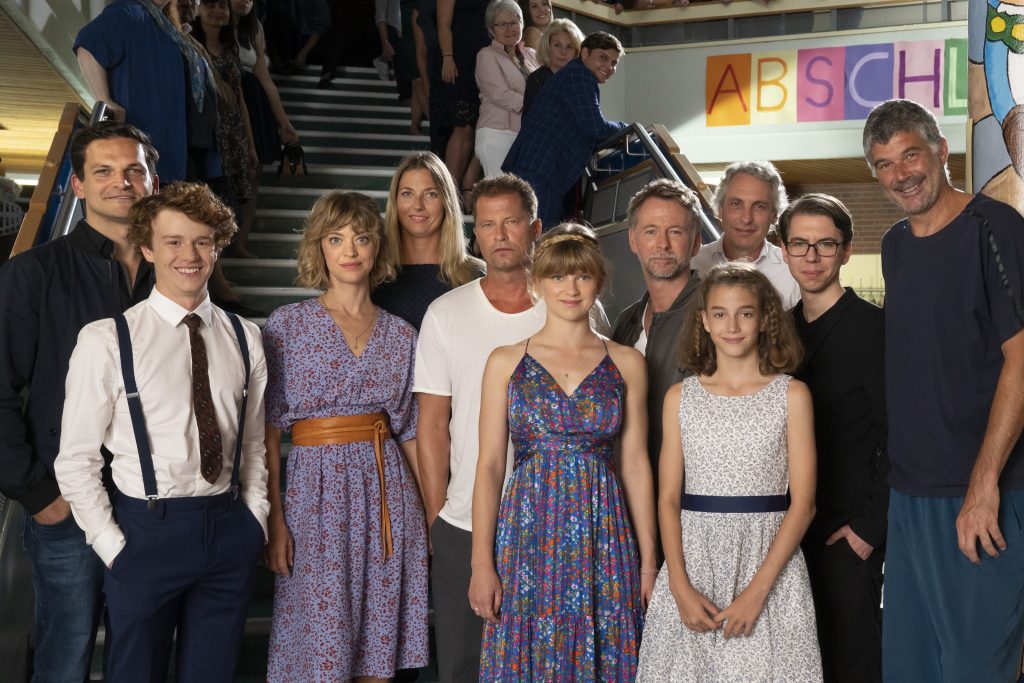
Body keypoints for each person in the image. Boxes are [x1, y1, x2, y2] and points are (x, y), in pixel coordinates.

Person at [53, 181, 269, 681]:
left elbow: (254, 444)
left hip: (228, 528)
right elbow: (76, 459)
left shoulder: (246, 337)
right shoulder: (107, 340)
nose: (188, 255)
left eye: (202, 241)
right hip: (145, 532)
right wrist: (112, 546)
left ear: (217, 247)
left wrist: (254, 518)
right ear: (147, 249)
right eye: (173, 241)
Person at [865, 98, 1024, 682]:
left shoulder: (994, 227)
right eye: (885, 164)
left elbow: (1022, 357)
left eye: (911, 155)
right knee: (909, 669)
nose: (901, 174)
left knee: (974, 669)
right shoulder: (895, 245)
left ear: (940, 151)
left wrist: (983, 486)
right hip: (910, 497)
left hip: (983, 493)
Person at [0, 121, 158, 683]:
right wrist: (36, 492)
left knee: (140, 658)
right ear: (78, 185)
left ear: (153, 181)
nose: (123, 182)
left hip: (155, 505)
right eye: (104, 171)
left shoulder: (179, 273)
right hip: (65, 502)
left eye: (134, 170)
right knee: (65, 659)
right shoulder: (33, 273)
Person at [470, 223, 657, 679]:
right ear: (537, 282)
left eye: (582, 276)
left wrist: (650, 562)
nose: (570, 288)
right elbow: (490, 466)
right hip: (528, 534)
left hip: (603, 532)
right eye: (557, 276)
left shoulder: (627, 362)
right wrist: (481, 563)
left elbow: (635, 464)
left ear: (599, 282)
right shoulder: (505, 361)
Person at [263, 191, 429, 681]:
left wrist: (430, 517)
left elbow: (411, 434)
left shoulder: (402, 335)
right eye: (335, 239)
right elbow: (267, 435)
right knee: (321, 651)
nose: (350, 250)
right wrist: (275, 519)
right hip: (314, 502)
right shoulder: (286, 326)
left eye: (361, 238)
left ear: (377, 248)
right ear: (319, 248)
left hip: (389, 499)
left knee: (378, 651)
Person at [636, 263, 822, 682]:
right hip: (694, 564)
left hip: (769, 566)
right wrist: (679, 586)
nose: (732, 326)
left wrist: (757, 593)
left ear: (765, 319)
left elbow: (804, 505)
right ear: (704, 320)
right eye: (720, 313)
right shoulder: (680, 397)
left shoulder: (792, 395)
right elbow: (668, 500)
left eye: (745, 313)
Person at [415, 174, 545, 682]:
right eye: (487, 225)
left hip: (551, 517)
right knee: (463, 668)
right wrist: (437, 517)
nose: (500, 235)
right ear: (475, 234)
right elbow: (432, 425)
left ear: (535, 228)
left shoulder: (570, 306)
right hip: (464, 520)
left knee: (542, 664)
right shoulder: (446, 313)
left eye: (511, 222)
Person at [778, 193, 888, 683]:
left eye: (825, 244)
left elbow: (900, 436)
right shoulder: (776, 333)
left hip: (847, 535)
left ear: (846, 251)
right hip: (784, 536)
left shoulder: (875, 329)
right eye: (800, 244)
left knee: (851, 667)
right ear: (784, 250)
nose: (812, 256)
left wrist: (869, 529)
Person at [612, 178, 703, 488]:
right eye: (650, 231)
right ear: (633, 240)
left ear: (695, 242)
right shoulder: (625, 323)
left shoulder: (718, 316)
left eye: (675, 232)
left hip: (695, 498)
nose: (662, 244)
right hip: (633, 494)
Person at [75, 0, 219, 183]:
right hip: (150, 148)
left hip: (181, 149)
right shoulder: (129, 12)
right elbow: (88, 44)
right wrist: (104, 98)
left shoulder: (163, 24)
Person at [502, 31, 626, 228]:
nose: (609, 67)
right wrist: (625, 128)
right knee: (537, 237)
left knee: (535, 235)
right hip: (541, 169)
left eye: (614, 63)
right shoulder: (580, 75)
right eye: (603, 58)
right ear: (585, 53)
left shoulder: (573, 74)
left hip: (540, 169)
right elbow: (596, 127)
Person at [374, 151, 485, 330]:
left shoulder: (477, 276)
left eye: (431, 194)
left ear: (446, 203)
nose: (418, 205)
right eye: (407, 194)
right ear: (395, 201)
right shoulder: (374, 277)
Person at [231, 0, 300, 258]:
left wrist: (284, 121)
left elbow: (265, 78)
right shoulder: (216, 23)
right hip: (228, 97)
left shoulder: (254, 28)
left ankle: (240, 242)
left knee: (254, 173)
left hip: (254, 98)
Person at [691, 160, 800, 309]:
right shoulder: (693, 265)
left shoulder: (792, 271)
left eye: (759, 206)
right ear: (720, 209)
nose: (746, 218)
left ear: (774, 215)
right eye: (736, 204)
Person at [192, 0, 258, 218]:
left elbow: (240, 100)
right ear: (199, 9)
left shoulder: (231, 50)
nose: (217, 11)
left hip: (233, 133)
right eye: (210, 5)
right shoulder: (191, 46)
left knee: (233, 201)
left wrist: (250, 144)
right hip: (207, 133)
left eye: (222, 6)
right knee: (213, 197)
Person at [474, 0, 539, 179]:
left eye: (514, 22)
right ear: (491, 29)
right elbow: (499, 94)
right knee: (500, 191)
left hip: (527, 134)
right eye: (502, 24)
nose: (509, 28)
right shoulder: (486, 55)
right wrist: (537, 105)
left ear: (522, 23)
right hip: (497, 134)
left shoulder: (532, 55)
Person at [435, 0, 490, 200]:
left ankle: (468, 182)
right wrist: (447, 57)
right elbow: (443, 24)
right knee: (463, 127)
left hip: (491, 59)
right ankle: (448, 192)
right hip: (461, 60)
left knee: (484, 124)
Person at [522, 18, 584, 116]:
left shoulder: (582, 81)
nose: (563, 52)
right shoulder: (536, 79)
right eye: (557, 45)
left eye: (569, 47)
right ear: (548, 46)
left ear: (576, 51)